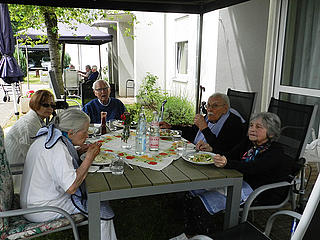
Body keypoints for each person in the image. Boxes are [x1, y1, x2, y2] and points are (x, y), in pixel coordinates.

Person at [184, 112, 296, 235]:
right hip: (235, 180)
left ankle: (206, 234)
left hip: (256, 190)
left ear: (272, 133)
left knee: (199, 203)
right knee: (192, 191)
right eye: (251, 125)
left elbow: (253, 168)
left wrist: (227, 164)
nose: (252, 129)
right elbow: (231, 155)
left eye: (258, 127)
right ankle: (191, 232)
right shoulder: (249, 143)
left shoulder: (276, 152)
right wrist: (212, 150)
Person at [20, 108, 117, 239]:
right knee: (98, 207)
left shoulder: (50, 137)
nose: (87, 135)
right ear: (71, 133)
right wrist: (89, 158)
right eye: (85, 131)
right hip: (42, 209)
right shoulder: (57, 148)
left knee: (93, 196)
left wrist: (78, 152)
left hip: (32, 201)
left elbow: (56, 165)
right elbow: (71, 187)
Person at [160, 93, 245, 154]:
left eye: (215, 106)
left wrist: (204, 128)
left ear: (225, 109)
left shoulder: (233, 123)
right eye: (208, 105)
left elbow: (220, 148)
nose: (210, 109)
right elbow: (192, 132)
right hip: (195, 152)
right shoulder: (208, 117)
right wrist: (171, 127)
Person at [5, 89, 55, 191]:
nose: (50, 108)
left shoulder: (37, 120)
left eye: (52, 105)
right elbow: (35, 157)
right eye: (46, 105)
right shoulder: (29, 125)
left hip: (24, 170)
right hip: (18, 176)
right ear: (36, 105)